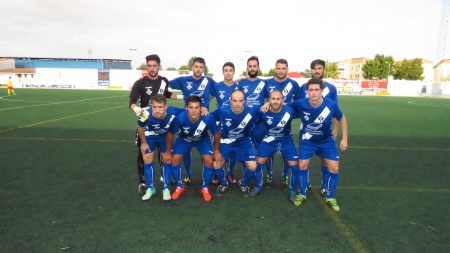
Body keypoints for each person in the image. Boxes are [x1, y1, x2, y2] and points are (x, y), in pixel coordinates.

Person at [288, 78, 348, 211]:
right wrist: (268, 103)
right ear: (307, 91)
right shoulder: (301, 103)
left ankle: (330, 197)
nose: (314, 93)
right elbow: (283, 105)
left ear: (321, 91)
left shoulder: (331, 105)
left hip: (326, 141)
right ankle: (302, 194)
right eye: (311, 90)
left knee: (334, 168)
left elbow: (342, 117)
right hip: (308, 141)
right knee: (302, 165)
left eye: (316, 90)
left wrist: (344, 138)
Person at [129, 54, 182, 195]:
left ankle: (163, 176)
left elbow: (167, 95)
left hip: (161, 120)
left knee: (163, 151)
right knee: (143, 153)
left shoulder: (163, 81)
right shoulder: (139, 83)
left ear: (159, 66)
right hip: (146, 121)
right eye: (149, 66)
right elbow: (132, 102)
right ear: (146, 66)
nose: (152, 68)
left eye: (154, 66)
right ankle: (143, 182)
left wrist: (184, 97)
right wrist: (138, 111)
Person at [163, 95, 223, 202]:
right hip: (184, 139)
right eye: (191, 107)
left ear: (201, 108)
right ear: (186, 108)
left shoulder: (208, 118)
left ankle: (205, 187)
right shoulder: (180, 118)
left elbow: (217, 133)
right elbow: (170, 134)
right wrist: (168, 152)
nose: (194, 110)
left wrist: (216, 151)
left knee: (209, 161)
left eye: (197, 107)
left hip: (203, 140)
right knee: (174, 160)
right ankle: (179, 186)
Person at [169, 57, 217, 187]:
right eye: (196, 67)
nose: (198, 69)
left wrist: (208, 101)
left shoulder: (209, 81)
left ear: (204, 69)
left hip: (203, 120)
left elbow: (222, 88)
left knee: (205, 149)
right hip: (188, 118)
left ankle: (206, 177)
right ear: (192, 68)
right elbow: (165, 85)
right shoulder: (183, 80)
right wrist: (179, 96)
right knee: (186, 146)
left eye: (201, 67)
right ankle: (188, 175)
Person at [299, 59, 339, 197]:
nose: (317, 71)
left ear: (323, 70)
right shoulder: (304, 87)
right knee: (304, 158)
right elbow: (297, 105)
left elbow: (336, 111)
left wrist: (335, 129)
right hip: (306, 131)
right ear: (311, 70)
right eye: (314, 68)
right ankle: (306, 184)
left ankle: (324, 186)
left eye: (319, 68)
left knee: (325, 159)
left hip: (325, 132)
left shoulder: (331, 89)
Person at [251, 90, 300, 199]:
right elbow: (248, 110)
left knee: (295, 168)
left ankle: (292, 190)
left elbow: (303, 109)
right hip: (269, 141)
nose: (275, 101)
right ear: (269, 100)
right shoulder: (263, 110)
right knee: (257, 165)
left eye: (278, 99)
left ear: (282, 100)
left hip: (286, 141)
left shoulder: (290, 111)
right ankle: (259, 186)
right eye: (273, 99)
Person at [136, 94, 185, 201]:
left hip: (165, 137)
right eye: (154, 107)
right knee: (147, 159)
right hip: (150, 136)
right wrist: (143, 143)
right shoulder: (145, 114)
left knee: (167, 160)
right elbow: (140, 126)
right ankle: (151, 188)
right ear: (151, 107)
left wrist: (203, 108)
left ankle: (166, 188)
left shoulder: (173, 111)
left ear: (166, 106)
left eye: (160, 107)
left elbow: (188, 111)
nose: (157, 110)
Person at [210, 89, 259, 197]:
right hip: (226, 142)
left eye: (240, 101)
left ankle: (244, 183)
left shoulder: (251, 112)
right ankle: (223, 183)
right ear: (230, 100)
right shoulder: (222, 110)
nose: (237, 104)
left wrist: (268, 104)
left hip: (243, 142)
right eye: (235, 100)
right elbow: (209, 118)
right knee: (215, 165)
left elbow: (266, 114)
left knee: (253, 167)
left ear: (245, 101)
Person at [263, 59, 302, 189]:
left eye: (283, 68)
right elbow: (263, 99)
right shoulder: (267, 83)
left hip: (285, 122)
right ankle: (270, 174)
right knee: (269, 150)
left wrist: (287, 105)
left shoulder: (293, 84)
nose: (281, 71)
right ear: (275, 69)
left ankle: (285, 175)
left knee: (286, 151)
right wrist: (267, 103)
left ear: (287, 69)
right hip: (269, 123)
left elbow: (299, 102)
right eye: (278, 68)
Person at [237, 56, 269, 187]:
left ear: (258, 68)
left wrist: (267, 103)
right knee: (246, 151)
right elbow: (232, 92)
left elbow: (271, 99)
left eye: (254, 66)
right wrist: (237, 79)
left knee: (260, 152)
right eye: (250, 66)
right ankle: (247, 175)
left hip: (259, 124)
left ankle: (259, 179)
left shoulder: (264, 83)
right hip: (244, 124)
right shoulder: (241, 84)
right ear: (247, 68)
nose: (252, 68)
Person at [210, 62, 239, 184]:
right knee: (217, 147)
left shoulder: (238, 87)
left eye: (230, 70)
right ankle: (217, 173)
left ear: (233, 72)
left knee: (233, 151)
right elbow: (208, 98)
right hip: (221, 122)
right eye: (226, 70)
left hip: (235, 123)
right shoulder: (217, 86)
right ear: (223, 72)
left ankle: (230, 173)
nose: (228, 72)